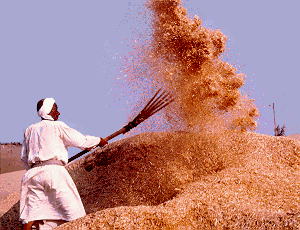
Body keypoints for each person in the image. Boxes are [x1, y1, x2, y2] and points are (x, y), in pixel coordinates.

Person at [20, 98, 107, 230]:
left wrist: (36, 167)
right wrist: (98, 140)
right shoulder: (58, 126)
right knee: (73, 211)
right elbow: (81, 141)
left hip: (32, 174)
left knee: (31, 213)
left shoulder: (30, 130)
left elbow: (24, 157)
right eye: (56, 109)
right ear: (49, 111)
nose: (58, 113)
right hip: (54, 173)